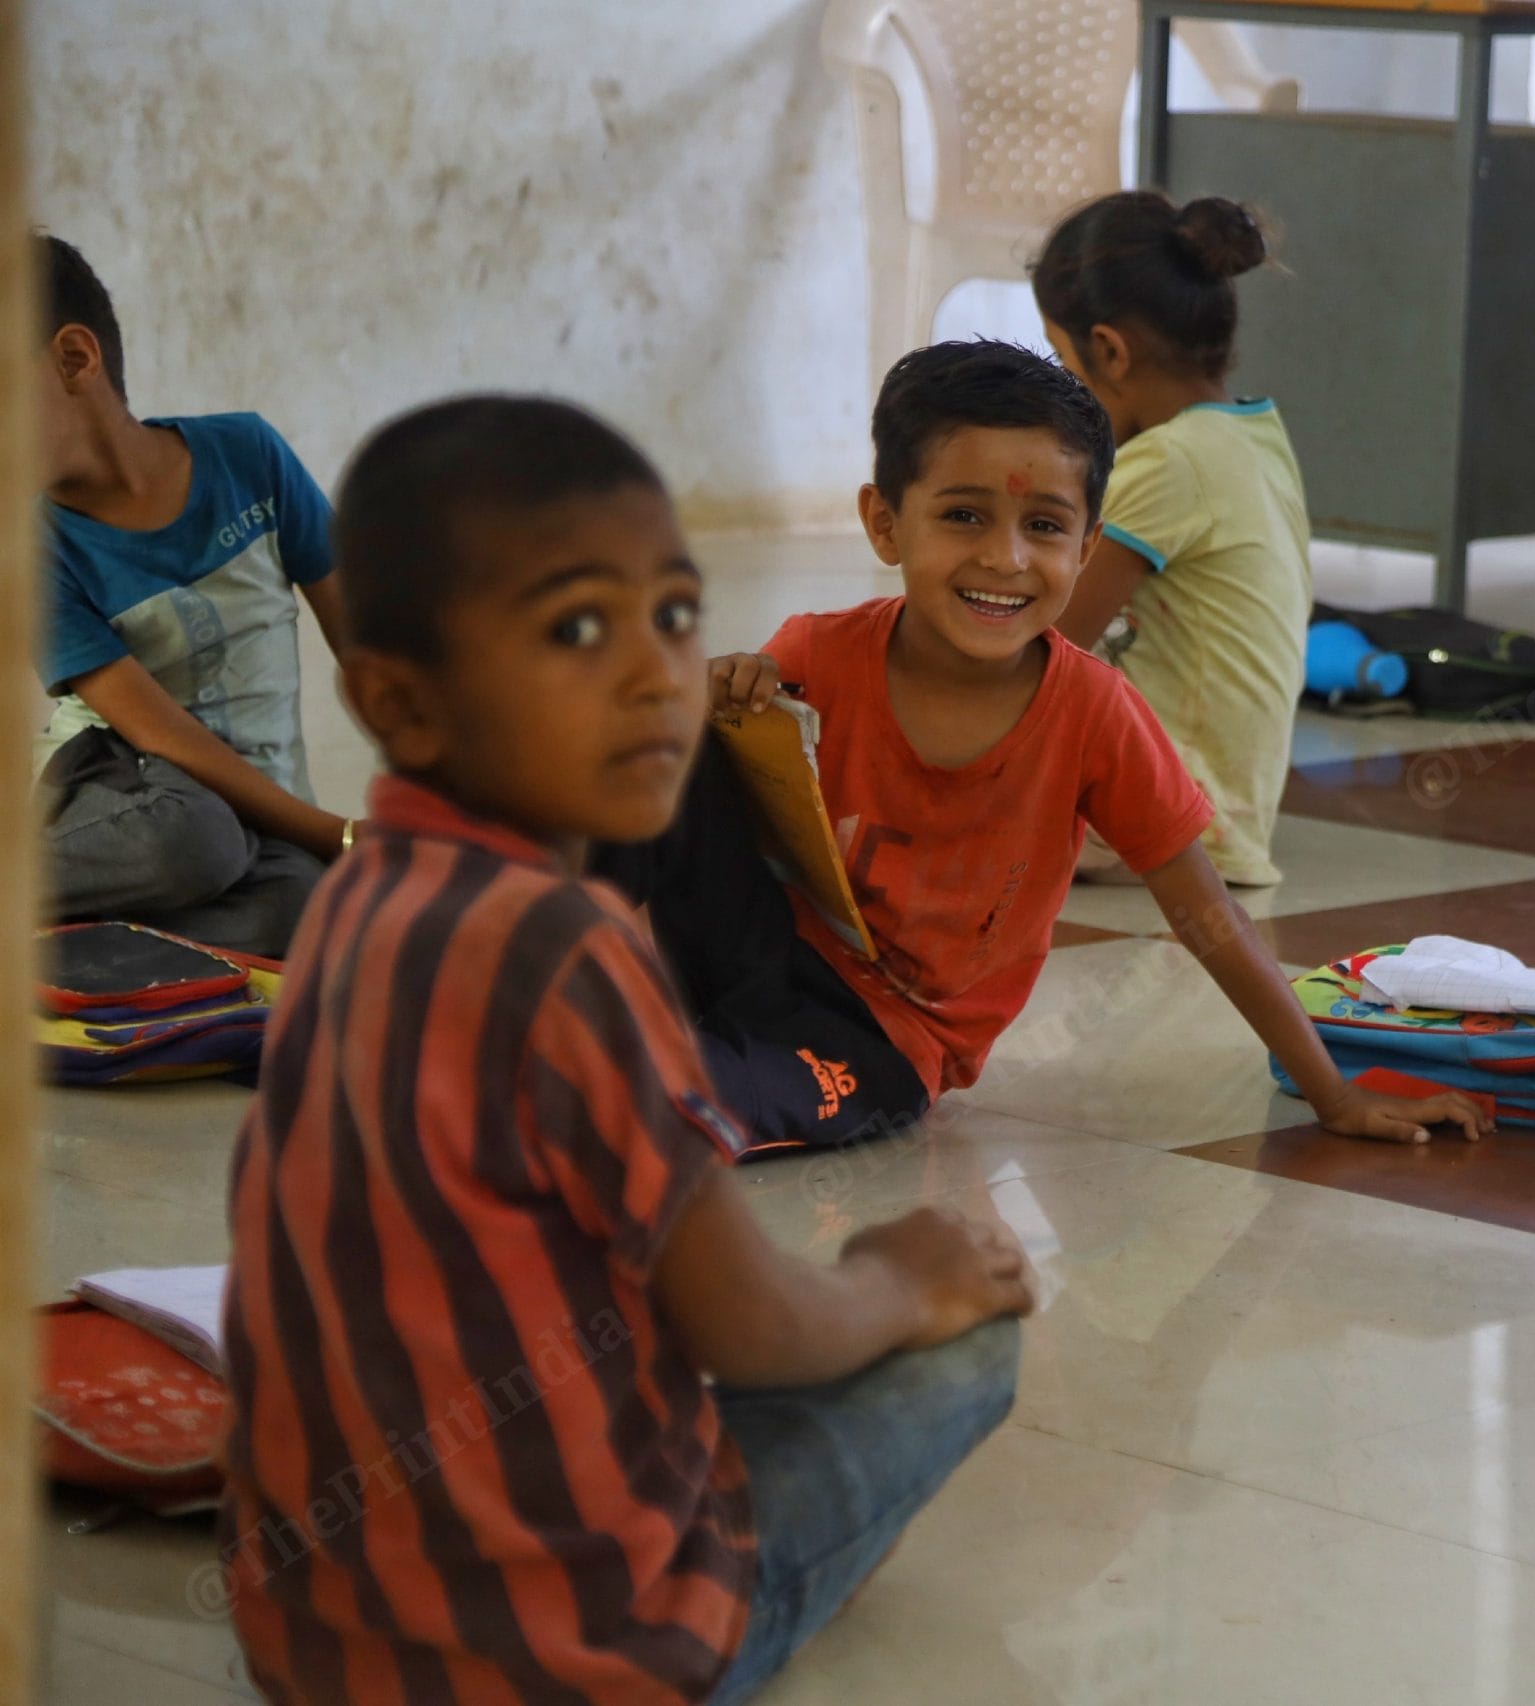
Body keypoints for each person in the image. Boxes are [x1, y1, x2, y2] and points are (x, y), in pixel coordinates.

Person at [219, 395, 1033, 1705]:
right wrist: (898, 1277)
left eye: (673, 612)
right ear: (398, 700)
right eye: (579, 628)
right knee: (967, 1340)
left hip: (310, 1644)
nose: (658, 671)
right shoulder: (571, 948)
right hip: (584, 1661)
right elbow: (750, 1329)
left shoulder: (346, 912)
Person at [596, 340, 1483, 1153]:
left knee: (669, 1105)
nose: (1007, 559)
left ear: (1089, 545)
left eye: (1047, 528)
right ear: (884, 524)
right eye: (963, 517)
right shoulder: (815, 652)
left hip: (880, 1042)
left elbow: (1207, 915)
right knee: (651, 730)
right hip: (750, 950)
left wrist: (1333, 1094)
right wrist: (714, 690)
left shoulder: (1095, 712)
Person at [33, 233, 351, 956]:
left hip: (261, 833)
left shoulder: (249, 456)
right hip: (120, 798)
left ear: (74, 359)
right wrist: (343, 834)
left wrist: (445, 803)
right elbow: (159, 734)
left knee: (310, 907)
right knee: (196, 835)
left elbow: (370, 654)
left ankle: (56, 954)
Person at [1031, 190, 1311, 888]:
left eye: (1066, 368)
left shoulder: (1170, 463)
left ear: (1109, 351)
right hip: (1221, 810)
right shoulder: (1251, 436)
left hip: (1178, 812)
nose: (1066, 392)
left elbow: (1049, 649)